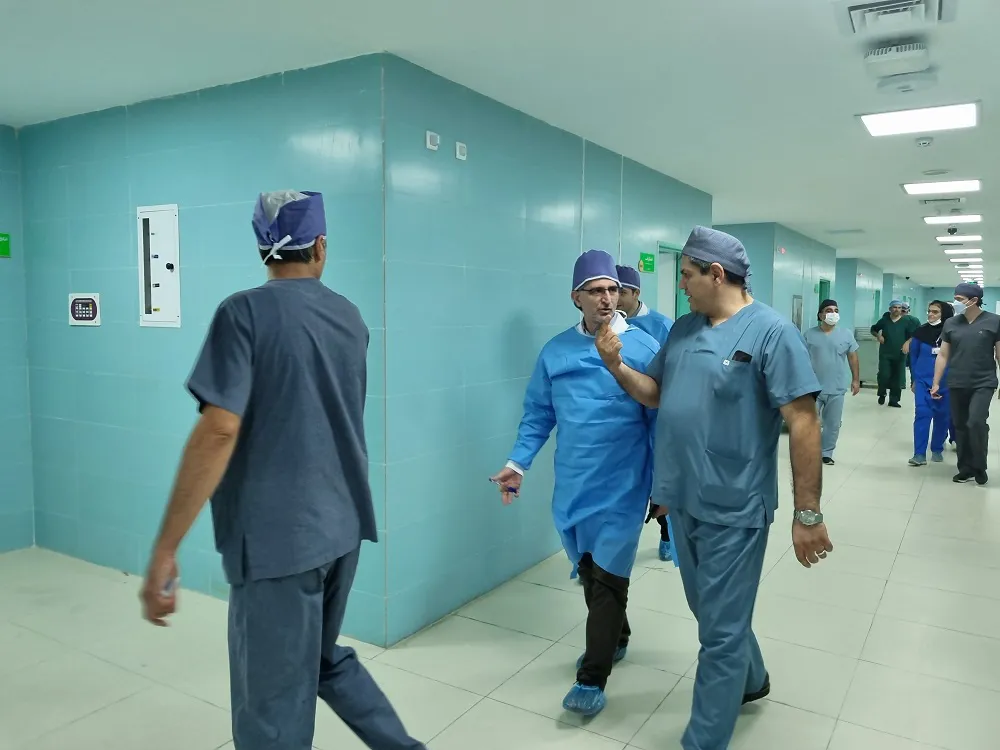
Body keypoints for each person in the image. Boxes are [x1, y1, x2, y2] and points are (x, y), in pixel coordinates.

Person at [140, 191, 424, 750]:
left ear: (261, 250)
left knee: (271, 708)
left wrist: (165, 549)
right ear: (320, 246)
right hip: (342, 527)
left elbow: (219, 430)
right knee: (320, 660)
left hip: (279, 543)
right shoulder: (349, 317)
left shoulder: (242, 313)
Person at [594, 226, 832, 750]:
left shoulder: (771, 333)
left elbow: (803, 421)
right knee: (709, 609)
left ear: (716, 274)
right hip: (683, 499)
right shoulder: (684, 329)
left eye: (686, 275)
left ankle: (703, 740)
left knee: (719, 635)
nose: (681, 284)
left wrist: (808, 513)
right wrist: (615, 365)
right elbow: (655, 393)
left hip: (735, 504)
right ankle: (752, 678)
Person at [490, 250, 659, 718]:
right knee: (589, 569)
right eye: (596, 291)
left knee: (609, 574)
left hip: (625, 482)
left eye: (612, 290)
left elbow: (659, 421)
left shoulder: (643, 349)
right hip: (575, 483)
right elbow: (538, 414)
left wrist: (663, 484)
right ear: (576, 298)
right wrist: (518, 464)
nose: (607, 298)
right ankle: (617, 635)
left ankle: (592, 676)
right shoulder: (556, 352)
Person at [616, 263, 676, 562]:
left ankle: (667, 533)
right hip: (622, 420)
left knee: (658, 480)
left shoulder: (662, 326)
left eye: (620, 292)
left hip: (655, 414)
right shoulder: (606, 325)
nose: (613, 299)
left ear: (636, 293)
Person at [932, 283, 1000, 485]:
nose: (956, 302)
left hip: (983, 381)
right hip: (957, 381)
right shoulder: (951, 323)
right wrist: (936, 382)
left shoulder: (994, 321)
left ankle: (979, 466)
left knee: (976, 422)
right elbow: (943, 355)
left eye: (960, 299)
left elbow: (999, 355)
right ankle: (965, 468)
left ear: (974, 300)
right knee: (960, 425)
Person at [803, 299, 861, 466]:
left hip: (836, 387)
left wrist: (856, 379)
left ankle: (826, 453)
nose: (833, 313)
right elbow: (800, 358)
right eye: (829, 310)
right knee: (809, 422)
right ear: (821, 315)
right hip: (812, 387)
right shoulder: (809, 335)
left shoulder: (846, 334)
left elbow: (853, 357)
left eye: (836, 310)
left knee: (833, 424)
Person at [908, 300, 954, 466]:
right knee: (922, 413)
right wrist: (914, 379)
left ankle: (937, 448)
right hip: (923, 380)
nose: (930, 314)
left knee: (942, 416)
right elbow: (913, 356)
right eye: (929, 311)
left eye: (935, 312)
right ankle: (919, 454)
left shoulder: (953, 333)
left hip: (946, 382)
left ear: (945, 314)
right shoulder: (921, 332)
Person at [871, 300, 918, 407]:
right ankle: (882, 393)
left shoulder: (906, 321)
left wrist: (907, 342)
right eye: (894, 307)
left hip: (900, 354)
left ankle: (894, 400)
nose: (897, 309)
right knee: (884, 375)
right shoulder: (885, 320)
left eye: (899, 307)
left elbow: (913, 335)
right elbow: (873, 329)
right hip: (885, 353)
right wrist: (878, 336)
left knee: (898, 377)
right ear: (890, 309)